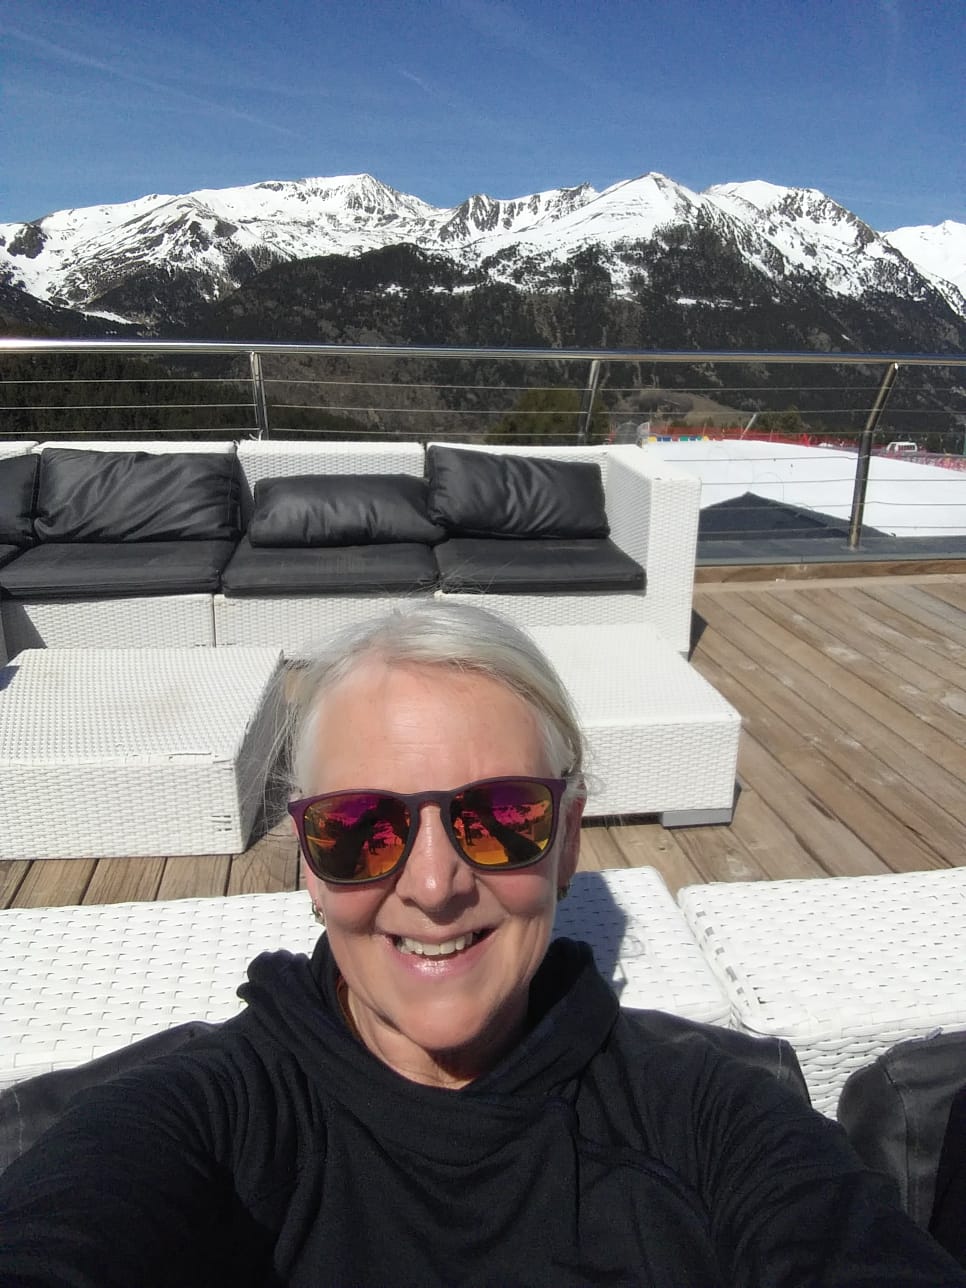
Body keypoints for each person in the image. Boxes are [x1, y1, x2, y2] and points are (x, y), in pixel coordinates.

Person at [0, 601, 964, 1287]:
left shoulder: (711, 1119)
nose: (433, 885)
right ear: (310, 863)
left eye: (501, 816)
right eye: (361, 828)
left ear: (568, 841)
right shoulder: (199, 1119)